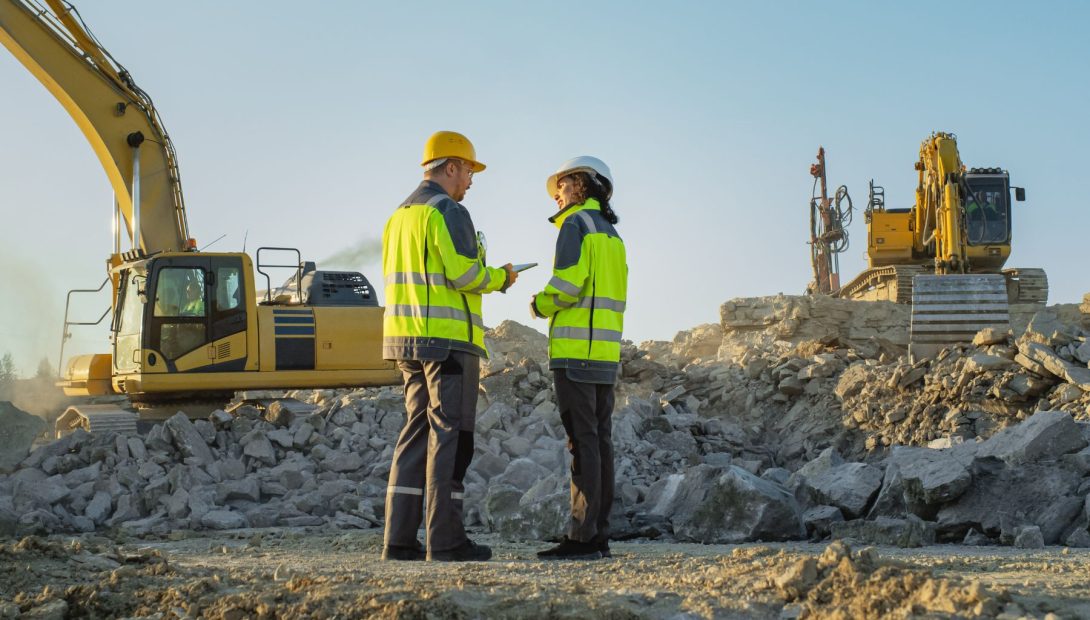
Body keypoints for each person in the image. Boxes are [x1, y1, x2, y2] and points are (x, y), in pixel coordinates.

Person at [381, 131, 518, 562]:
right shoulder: (448, 210)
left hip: (405, 340)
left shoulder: (398, 216)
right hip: (448, 342)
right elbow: (464, 274)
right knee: (450, 437)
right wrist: (501, 278)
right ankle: (446, 541)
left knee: (415, 434)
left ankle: (398, 541)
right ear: (451, 166)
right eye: (470, 172)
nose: (471, 182)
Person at [530, 156, 627, 560]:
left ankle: (582, 538)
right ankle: (598, 535)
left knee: (582, 444)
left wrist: (539, 303)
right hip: (605, 356)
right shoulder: (611, 236)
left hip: (575, 355)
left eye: (563, 184)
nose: (557, 192)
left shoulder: (576, 225)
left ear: (582, 186)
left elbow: (568, 285)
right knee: (600, 444)